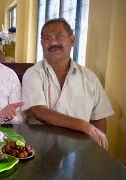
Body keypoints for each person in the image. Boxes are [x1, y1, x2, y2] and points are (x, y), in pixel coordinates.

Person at [21, 18, 114, 150]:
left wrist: (96, 150)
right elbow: (39, 111)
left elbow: (98, 118)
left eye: (59, 36)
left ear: (72, 40)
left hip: (79, 149)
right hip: (40, 148)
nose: (53, 42)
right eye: (47, 38)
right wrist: (83, 125)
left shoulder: (89, 77)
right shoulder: (33, 74)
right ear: (42, 44)